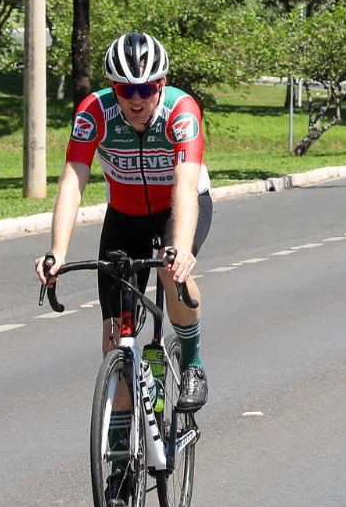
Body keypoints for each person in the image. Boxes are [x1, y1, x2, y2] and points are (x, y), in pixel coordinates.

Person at [36, 34, 213, 421]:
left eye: (146, 88)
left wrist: (181, 248)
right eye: (125, 89)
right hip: (124, 216)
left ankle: (194, 363)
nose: (136, 99)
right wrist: (57, 252)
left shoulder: (181, 111)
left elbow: (184, 185)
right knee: (114, 338)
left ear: (161, 85)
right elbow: (72, 181)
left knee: (171, 268)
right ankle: (118, 459)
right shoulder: (93, 112)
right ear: (112, 87)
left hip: (176, 209)